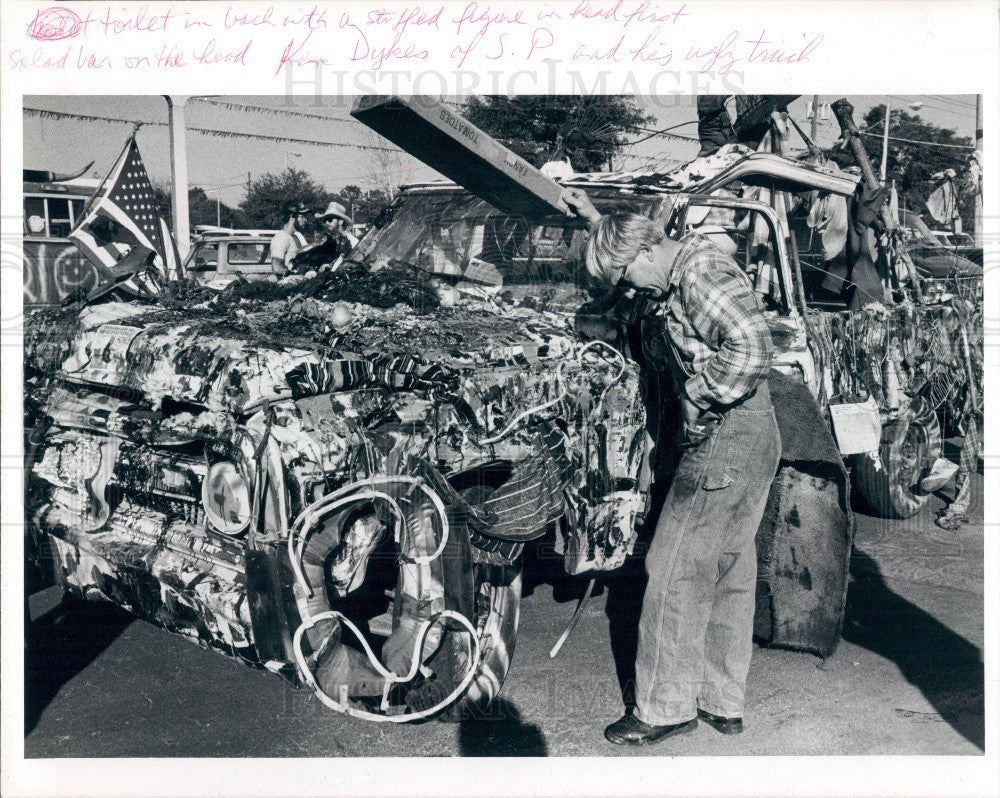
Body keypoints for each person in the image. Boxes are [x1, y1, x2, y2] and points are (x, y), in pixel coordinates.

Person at [563, 188, 781, 746]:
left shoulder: (698, 271)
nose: (631, 289)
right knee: (728, 569)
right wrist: (594, 219)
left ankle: (664, 707)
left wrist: (696, 394)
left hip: (728, 433)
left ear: (644, 251)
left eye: (627, 274)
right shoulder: (675, 268)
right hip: (748, 432)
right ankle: (720, 700)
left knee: (674, 567)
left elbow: (754, 346)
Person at [293, 201, 358, 272]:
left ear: (340, 222)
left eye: (330, 219)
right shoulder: (328, 242)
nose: (326, 223)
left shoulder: (353, 242)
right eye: (325, 220)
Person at [268, 201, 310, 277]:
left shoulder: (297, 236)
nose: (305, 220)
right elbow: (277, 268)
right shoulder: (281, 238)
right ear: (292, 217)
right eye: (302, 217)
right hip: (288, 286)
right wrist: (296, 274)